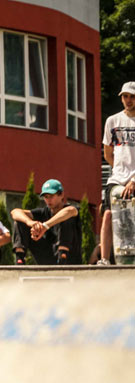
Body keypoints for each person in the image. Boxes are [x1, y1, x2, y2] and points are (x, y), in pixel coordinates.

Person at [98, 81, 135, 265]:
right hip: (117, 177)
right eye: (125, 96)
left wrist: (133, 178)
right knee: (107, 214)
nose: (128, 100)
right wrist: (120, 170)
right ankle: (104, 259)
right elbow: (107, 153)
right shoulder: (112, 121)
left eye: (132, 96)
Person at [10, 179, 81, 265]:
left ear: (61, 195)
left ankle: (62, 255)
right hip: (48, 257)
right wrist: (30, 223)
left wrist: (45, 226)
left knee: (66, 218)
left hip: (70, 258)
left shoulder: (71, 210)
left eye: (51, 196)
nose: (48, 200)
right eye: (46, 197)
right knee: (20, 221)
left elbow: (71, 210)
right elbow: (15, 212)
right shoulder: (43, 212)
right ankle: (20, 259)